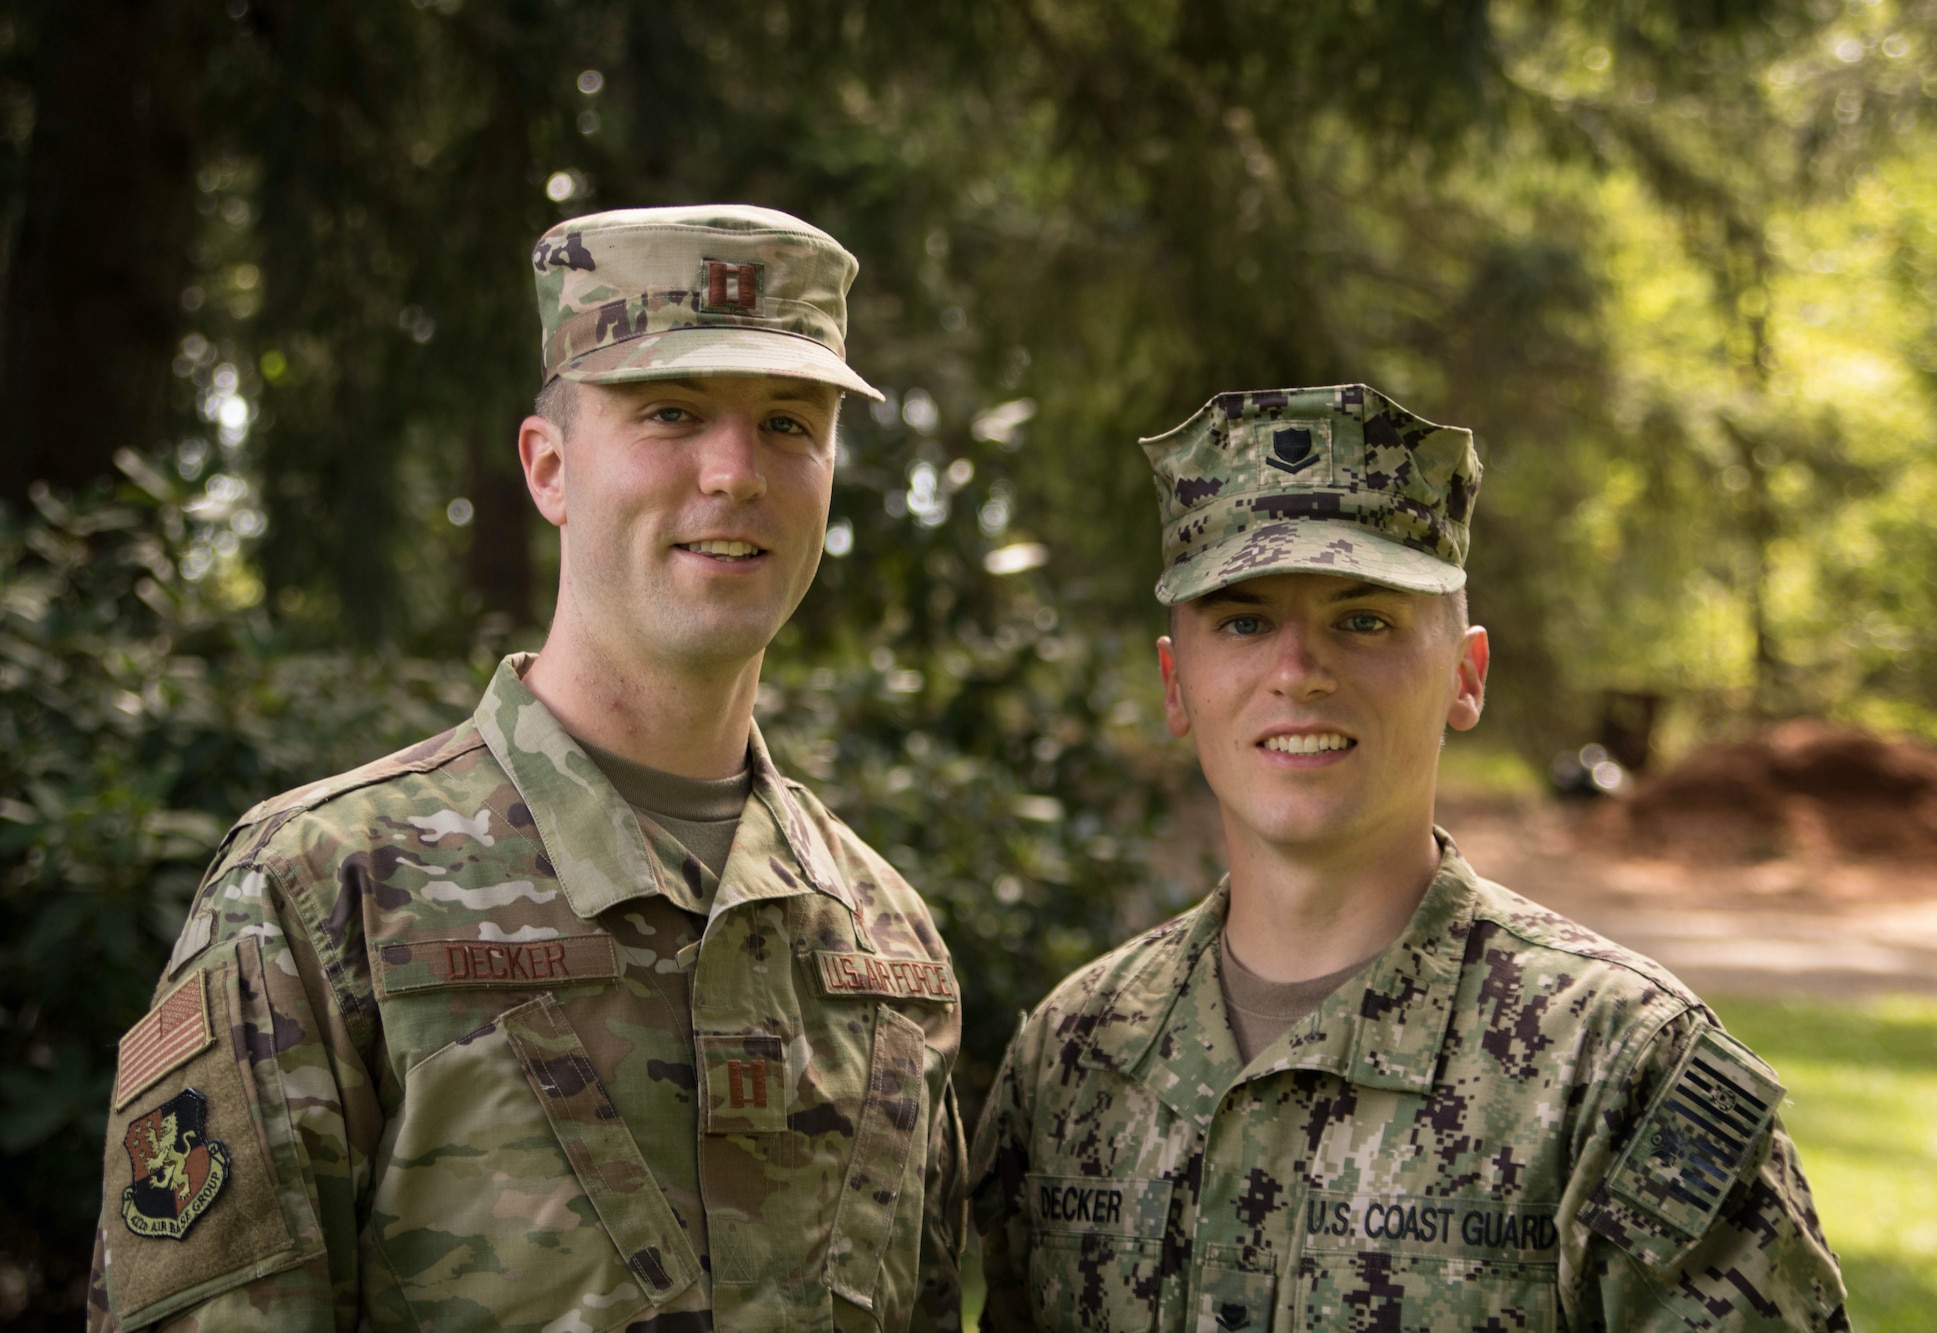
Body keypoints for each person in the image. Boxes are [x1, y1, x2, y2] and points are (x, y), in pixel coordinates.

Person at [89, 205, 966, 1332]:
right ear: (549, 469)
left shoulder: (886, 943)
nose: (736, 472)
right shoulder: (319, 893)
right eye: (670, 412)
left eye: (790, 424)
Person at [969, 385, 1846, 1332]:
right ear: (1177, 684)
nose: (1300, 669)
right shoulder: (1075, 1059)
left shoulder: (1619, 1068)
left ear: (1465, 676)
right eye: (1244, 621)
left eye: (1366, 620)